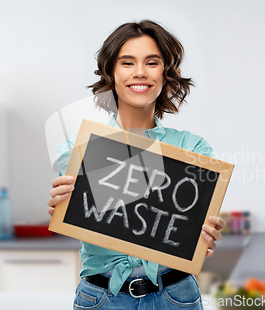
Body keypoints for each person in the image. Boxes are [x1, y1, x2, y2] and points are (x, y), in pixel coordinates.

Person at [47, 19, 226, 310]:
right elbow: (86, 225)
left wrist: (202, 236)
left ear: (166, 73)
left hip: (175, 296)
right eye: (127, 63)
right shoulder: (76, 150)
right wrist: (63, 208)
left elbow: (192, 236)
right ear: (112, 73)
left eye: (152, 62)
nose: (140, 72)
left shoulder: (192, 149)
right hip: (101, 299)